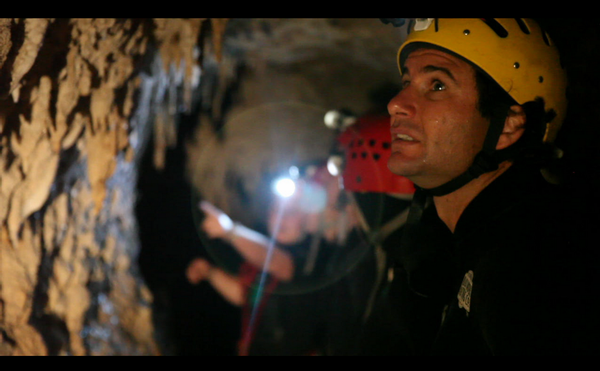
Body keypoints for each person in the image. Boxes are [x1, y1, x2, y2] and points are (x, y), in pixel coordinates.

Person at [383, 18, 600, 355]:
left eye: (437, 85)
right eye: (407, 81)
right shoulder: (431, 249)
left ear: (508, 126)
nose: (396, 103)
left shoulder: (537, 267)